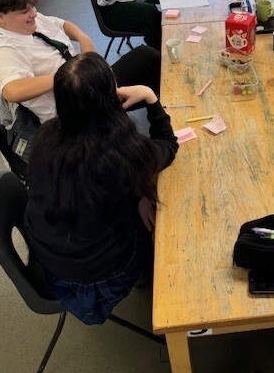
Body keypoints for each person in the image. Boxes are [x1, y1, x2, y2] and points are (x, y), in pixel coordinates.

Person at [23, 52, 178, 324]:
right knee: (162, 216)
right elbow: (168, 145)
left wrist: (138, 193)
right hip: (97, 280)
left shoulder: (45, 135)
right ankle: (143, 273)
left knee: (139, 200)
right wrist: (149, 96)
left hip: (50, 260)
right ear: (111, 96)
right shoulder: (121, 153)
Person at [0, 0, 161, 126]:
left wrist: (83, 38)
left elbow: (63, 25)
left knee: (147, 56)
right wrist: (69, 75)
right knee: (147, 84)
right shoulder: (3, 49)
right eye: (25, 11)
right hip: (75, 108)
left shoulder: (31, 21)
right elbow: (12, 91)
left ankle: (155, 106)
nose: (34, 13)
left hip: (87, 84)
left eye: (32, 7)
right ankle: (153, 114)